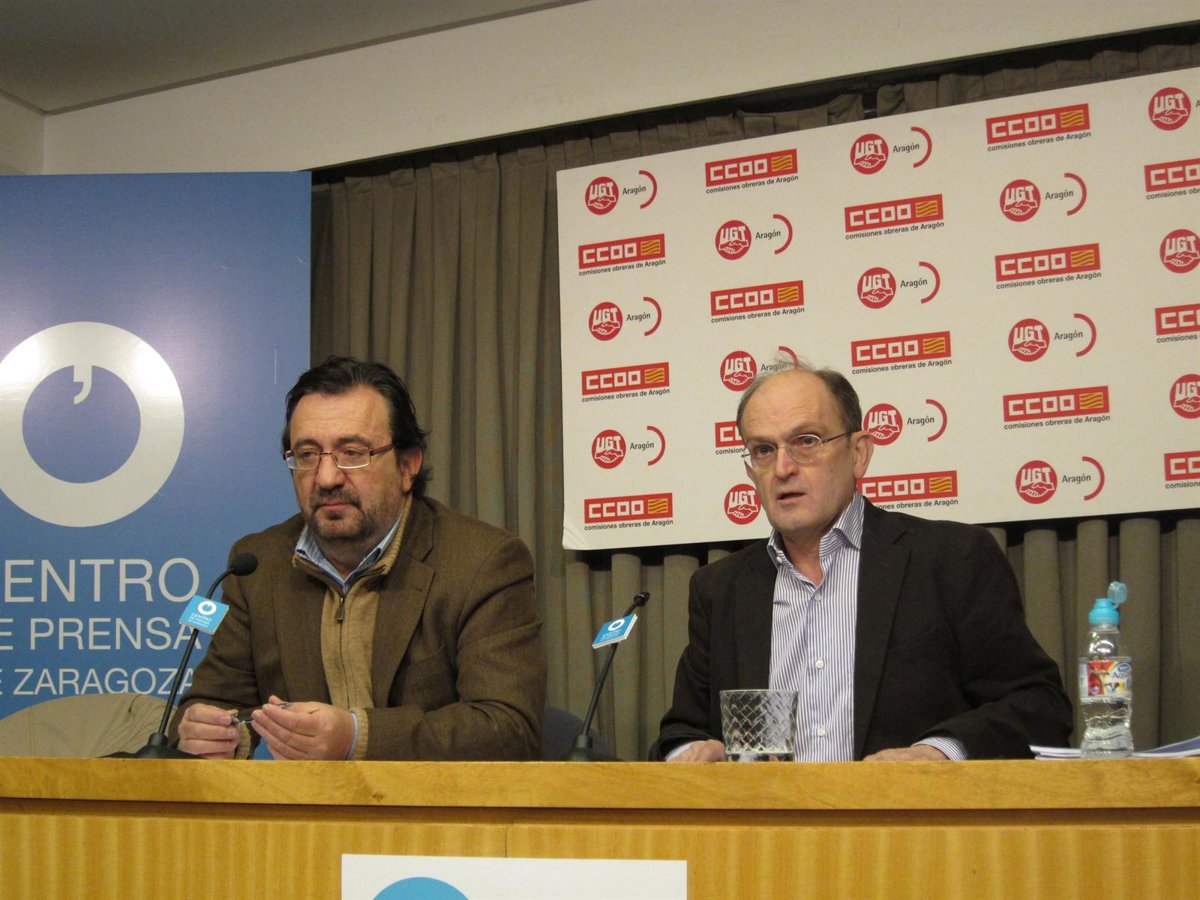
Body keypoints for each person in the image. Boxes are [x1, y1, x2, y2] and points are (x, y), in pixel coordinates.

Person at [652, 361, 1072, 762]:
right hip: (768, 815)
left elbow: (1039, 705)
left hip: (909, 811)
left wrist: (939, 753)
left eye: (806, 441)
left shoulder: (951, 558)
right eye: (763, 449)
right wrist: (692, 755)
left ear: (858, 453)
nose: (782, 468)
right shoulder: (720, 589)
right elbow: (681, 732)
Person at [172, 356, 545, 760]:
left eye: (352, 453)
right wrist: (212, 732)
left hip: (437, 800)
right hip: (305, 800)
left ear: (408, 466)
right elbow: (212, 703)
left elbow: (508, 728)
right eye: (307, 455)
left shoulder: (482, 562)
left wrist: (356, 737)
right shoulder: (258, 564)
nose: (327, 477)